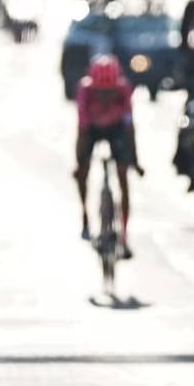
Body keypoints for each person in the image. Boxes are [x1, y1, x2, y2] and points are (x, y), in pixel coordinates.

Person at [74, 54, 144, 258]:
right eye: (100, 92)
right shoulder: (85, 91)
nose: (105, 96)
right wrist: (80, 163)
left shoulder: (123, 90)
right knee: (82, 171)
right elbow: (82, 129)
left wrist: (134, 161)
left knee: (123, 176)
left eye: (109, 92)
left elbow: (129, 128)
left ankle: (124, 233)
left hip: (116, 129)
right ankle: (85, 217)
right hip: (92, 128)